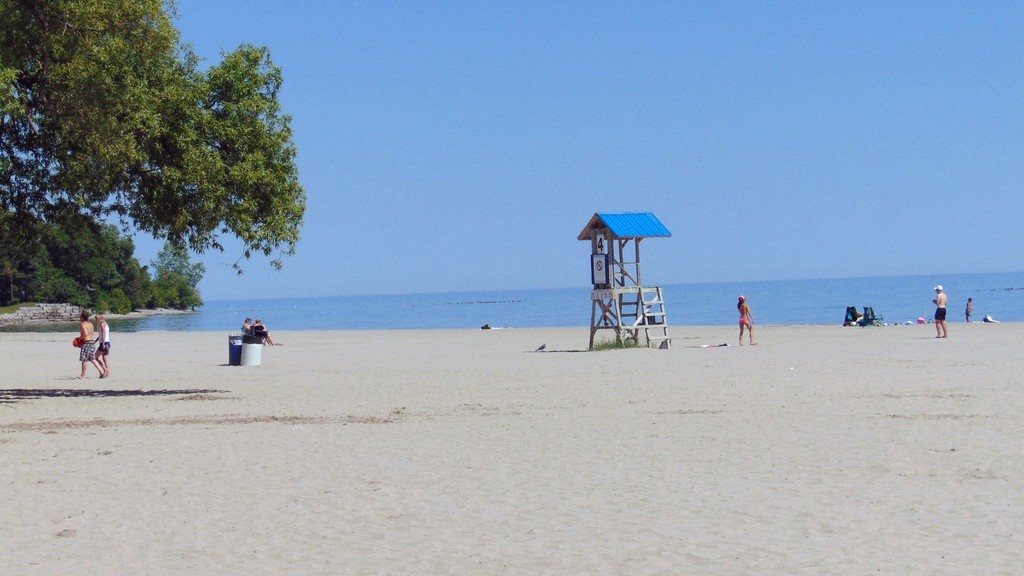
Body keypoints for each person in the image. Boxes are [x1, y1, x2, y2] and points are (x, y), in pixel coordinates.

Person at [77, 310, 105, 379]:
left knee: (84, 359)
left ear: (82, 318)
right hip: (92, 342)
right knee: (92, 359)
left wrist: (79, 339)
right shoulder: (91, 324)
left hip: (86, 343)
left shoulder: (83, 324)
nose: (79, 318)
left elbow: (85, 334)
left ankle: (83, 375)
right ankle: (101, 371)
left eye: (80, 317)